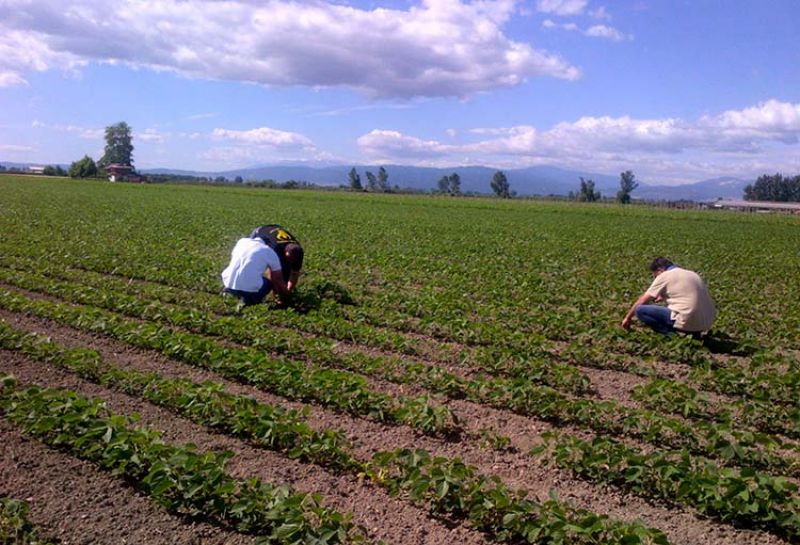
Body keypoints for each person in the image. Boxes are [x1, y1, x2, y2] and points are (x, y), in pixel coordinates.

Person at [621, 257, 715, 335]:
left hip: (687, 320)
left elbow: (642, 300)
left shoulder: (665, 275)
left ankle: (672, 335)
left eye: (655, 275)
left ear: (660, 270)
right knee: (688, 311)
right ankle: (694, 334)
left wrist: (627, 317)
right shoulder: (692, 273)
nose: (655, 278)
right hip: (707, 322)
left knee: (640, 310)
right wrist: (663, 296)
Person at [221, 225, 304, 306]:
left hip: (227, 281)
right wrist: (283, 294)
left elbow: (295, 273)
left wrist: (289, 289)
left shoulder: (241, 242)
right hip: (261, 230)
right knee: (270, 282)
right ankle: (252, 299)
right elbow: (276, 278)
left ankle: (229, 291)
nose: (290, 261)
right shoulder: (272, 250)